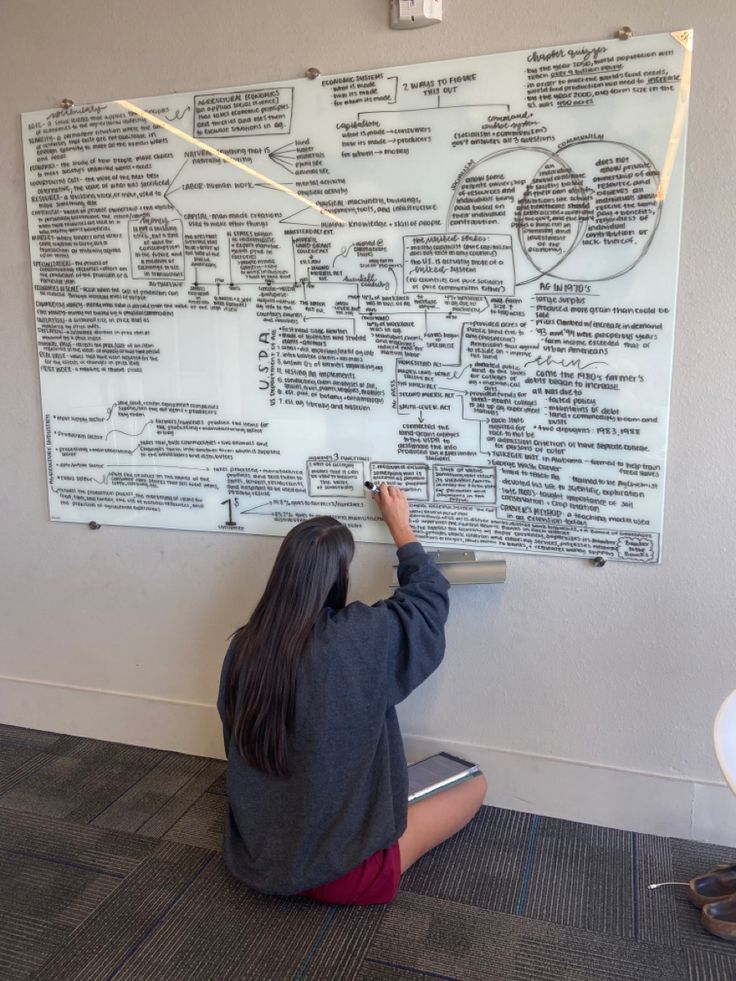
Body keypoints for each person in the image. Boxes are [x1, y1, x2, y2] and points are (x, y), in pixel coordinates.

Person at [216, 483, 487, 905]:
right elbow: (428, 601)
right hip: (346, 874)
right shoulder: (357, 638)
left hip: (259, 857)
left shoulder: (244, 646)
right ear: (339, 577)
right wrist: (402, 528)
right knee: (474, 784)